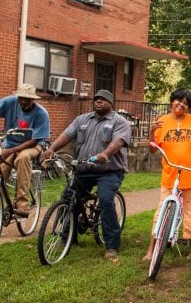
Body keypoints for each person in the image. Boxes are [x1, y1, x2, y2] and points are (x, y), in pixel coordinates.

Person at [40, 90, 131, 259]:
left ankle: (112, 245)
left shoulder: (120, 122)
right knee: (68, 198)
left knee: (105, 200)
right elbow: (67, 135)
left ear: (111, 104)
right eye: (96, 99)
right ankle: (68, 237)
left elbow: (118, 141)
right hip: (83, 169)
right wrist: (51, 149)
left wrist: (105, 154)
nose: (99, 102)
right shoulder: (82, 120)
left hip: (108, 171)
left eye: (103, 100)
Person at [142, 87, 191, 263]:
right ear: (171, 102)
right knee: (161, 212)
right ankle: (151, 250)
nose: (181, 104)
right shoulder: (161, 120)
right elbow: (153, 149)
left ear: (188, 107)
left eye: (185, 103)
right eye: (178, 100)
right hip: (170, 175)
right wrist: (152, 131)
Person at [0, 84, 50, 217]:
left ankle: (22, 205)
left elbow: (35, 140)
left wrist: (11, 151)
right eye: (21, 98)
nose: (24, 101)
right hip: (9, 144)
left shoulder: (41, 114)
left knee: (22, 158)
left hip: (32, 146)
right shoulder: (10, 102)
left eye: (28, 99)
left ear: (33, 99)